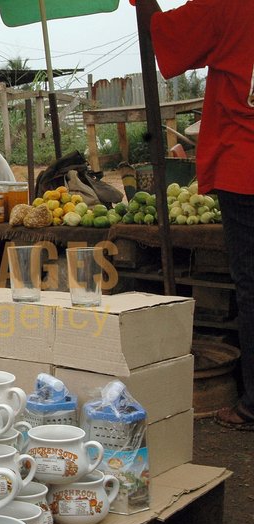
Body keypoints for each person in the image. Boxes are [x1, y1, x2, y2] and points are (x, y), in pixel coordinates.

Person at [140, 0, 254, 430]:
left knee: (252, 284)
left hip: (245, 165)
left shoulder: (228, 5)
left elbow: (166, 34)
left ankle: (253, 404)